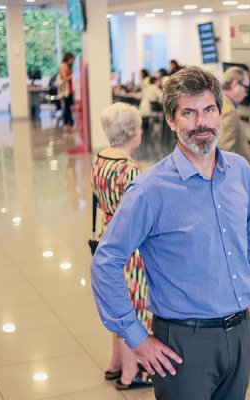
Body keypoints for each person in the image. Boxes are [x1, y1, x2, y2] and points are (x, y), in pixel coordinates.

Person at [91, 66, 250, 400]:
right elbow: (106, 262)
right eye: (189, 112)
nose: (202, 123)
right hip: (184, 343)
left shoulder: (240, 172)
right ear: (171, 120)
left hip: (241, 331)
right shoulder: (148, 190)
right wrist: (137, 337)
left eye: (209, 110)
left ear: (220, 112)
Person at [91, 102, 152, 391]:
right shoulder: (128, 169)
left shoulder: (101, 159)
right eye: (139, 128)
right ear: (132, 133)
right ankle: (131, 372)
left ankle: (115, 362)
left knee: (116, 303)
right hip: (129, 247)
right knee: (133, 308)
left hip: (107, 236)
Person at [217, 67, 250, 168]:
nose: (246, 94)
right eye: (246, 88)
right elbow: (225, 151)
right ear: (234, 84)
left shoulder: (218, 102)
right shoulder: (229, 111)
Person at [57, 52, 75, 131]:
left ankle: (69, 124)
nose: (72, 61)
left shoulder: (67, 66)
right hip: (66, 91)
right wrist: (72, 76)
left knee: (68, 108)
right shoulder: (63, 66)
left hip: (69, 90)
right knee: (67, 108)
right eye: (71, 59)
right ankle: (67, 124)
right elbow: (64, 78)